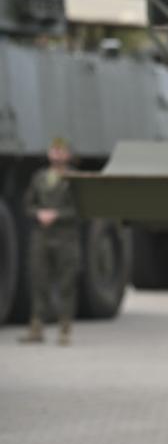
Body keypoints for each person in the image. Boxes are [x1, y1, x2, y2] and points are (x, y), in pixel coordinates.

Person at [19, 137, 81, 345]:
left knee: (66, 284)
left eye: (61, 150)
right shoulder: (39, 177)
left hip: (66, 237)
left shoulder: (75, 179)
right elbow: (28, 204)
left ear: (68, 154)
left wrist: (57, 215)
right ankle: (36, 327)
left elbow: (81, 209)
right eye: (54, 150)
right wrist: (38, 213)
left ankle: (65, 329)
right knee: (39, 281)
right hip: (42, 236)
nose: (57, 154)